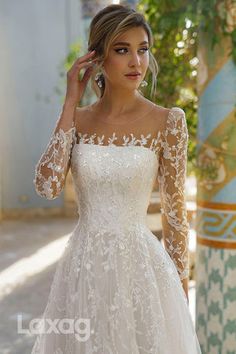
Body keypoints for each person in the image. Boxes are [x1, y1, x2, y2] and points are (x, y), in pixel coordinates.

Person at [31, 4, 202, 354]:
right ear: (97, 58)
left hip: (141, 270)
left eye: (142, 50)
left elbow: (175, 216)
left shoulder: (168, 122)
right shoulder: (77, 120)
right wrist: (69, 104)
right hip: (83, 268)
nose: (135, 62)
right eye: (122, 50)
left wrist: (179, 289)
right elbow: (46, 186)